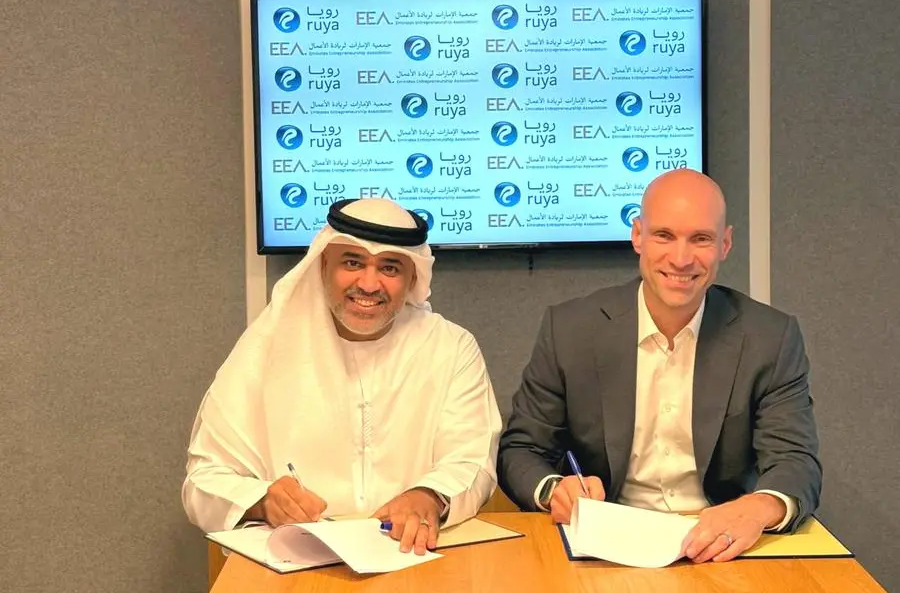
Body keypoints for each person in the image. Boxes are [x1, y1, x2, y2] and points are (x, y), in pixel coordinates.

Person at [498, 168, 822, 563]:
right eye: (664, 235)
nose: (681, 259)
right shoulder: (570, 329)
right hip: (606, 545)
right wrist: (554, 490)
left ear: (725, 244)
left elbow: (795, 461)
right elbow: (521, 450)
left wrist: (757, 508)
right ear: (637, 235)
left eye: (701, 239)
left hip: (720, 546)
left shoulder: (770, 337)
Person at [182, 198, 501, 555]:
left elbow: (473, 462)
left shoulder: (450, 347)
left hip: (411, 554)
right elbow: (203, 481)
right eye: (352, 263)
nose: (369, 284)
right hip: (294, 563)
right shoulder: (265, 348)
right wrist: (261, 500)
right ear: (323, 266)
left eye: (390, 268)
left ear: (413, 277)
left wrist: (428, 496)